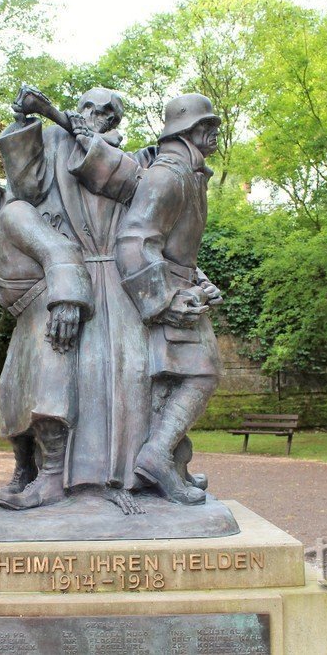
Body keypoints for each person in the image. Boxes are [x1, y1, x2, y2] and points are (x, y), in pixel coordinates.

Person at [0, 86, 156, 508]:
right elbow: (24, 185)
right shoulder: (51, 145)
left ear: (115, 122)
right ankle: (59, 480)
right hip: (69, 280)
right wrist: (27, 122)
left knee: (128, 376)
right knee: (71, 378)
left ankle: (131, 477)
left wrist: (82, 134)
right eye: (88, 107)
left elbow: (132, 192)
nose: (95, 115)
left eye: (107, 112)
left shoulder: (133, 160)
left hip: (117, 283)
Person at [0, 163, 94, 510]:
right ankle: (26, 469)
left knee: (47, 391)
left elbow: (59, 251)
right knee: (10, 393)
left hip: (48, 307)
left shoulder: (15, 214)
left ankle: (52, 477)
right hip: (25, 319)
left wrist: (67, 301)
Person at [115, 94, 225, 505]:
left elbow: (178, 246)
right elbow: (134, 241)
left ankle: (166, 463)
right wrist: (164, 300)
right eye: (206, 126)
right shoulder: (168, 175)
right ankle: (157, 458)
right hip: (164, 298)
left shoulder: (190, 173)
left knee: (181, 380)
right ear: (188, 131)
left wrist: (200, 278)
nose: (214, 133)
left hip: (181, 290)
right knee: (200, 374)